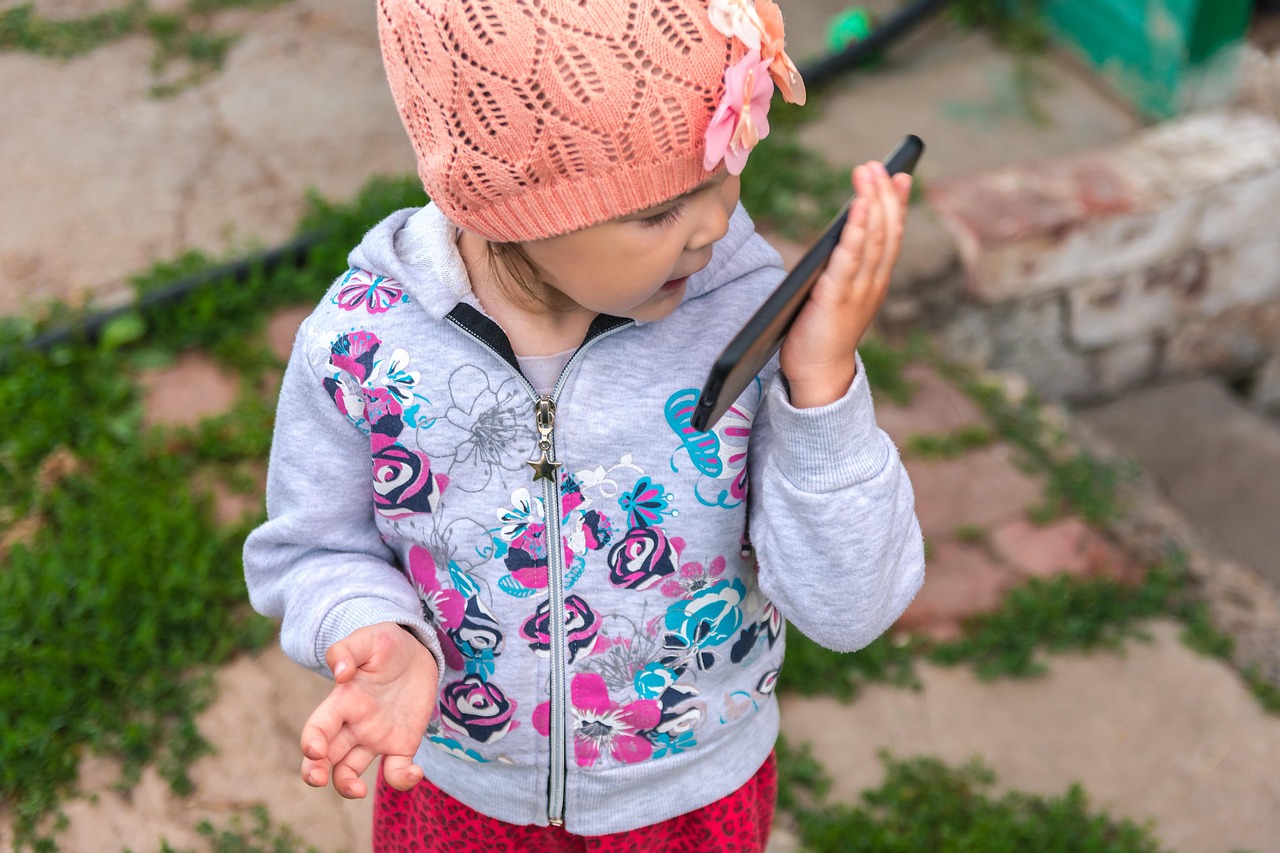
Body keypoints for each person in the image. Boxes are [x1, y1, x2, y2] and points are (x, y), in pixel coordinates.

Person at [243, 0, 925, 849]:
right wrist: (375, 626)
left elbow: (852, 606)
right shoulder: (363, 343)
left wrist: (820, 387)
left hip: (688, 800)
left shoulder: (746, 319)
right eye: (659, 211)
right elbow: (313, 548)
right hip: (460, 794)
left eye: (722, 174)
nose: (715, 225)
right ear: (510, 209)